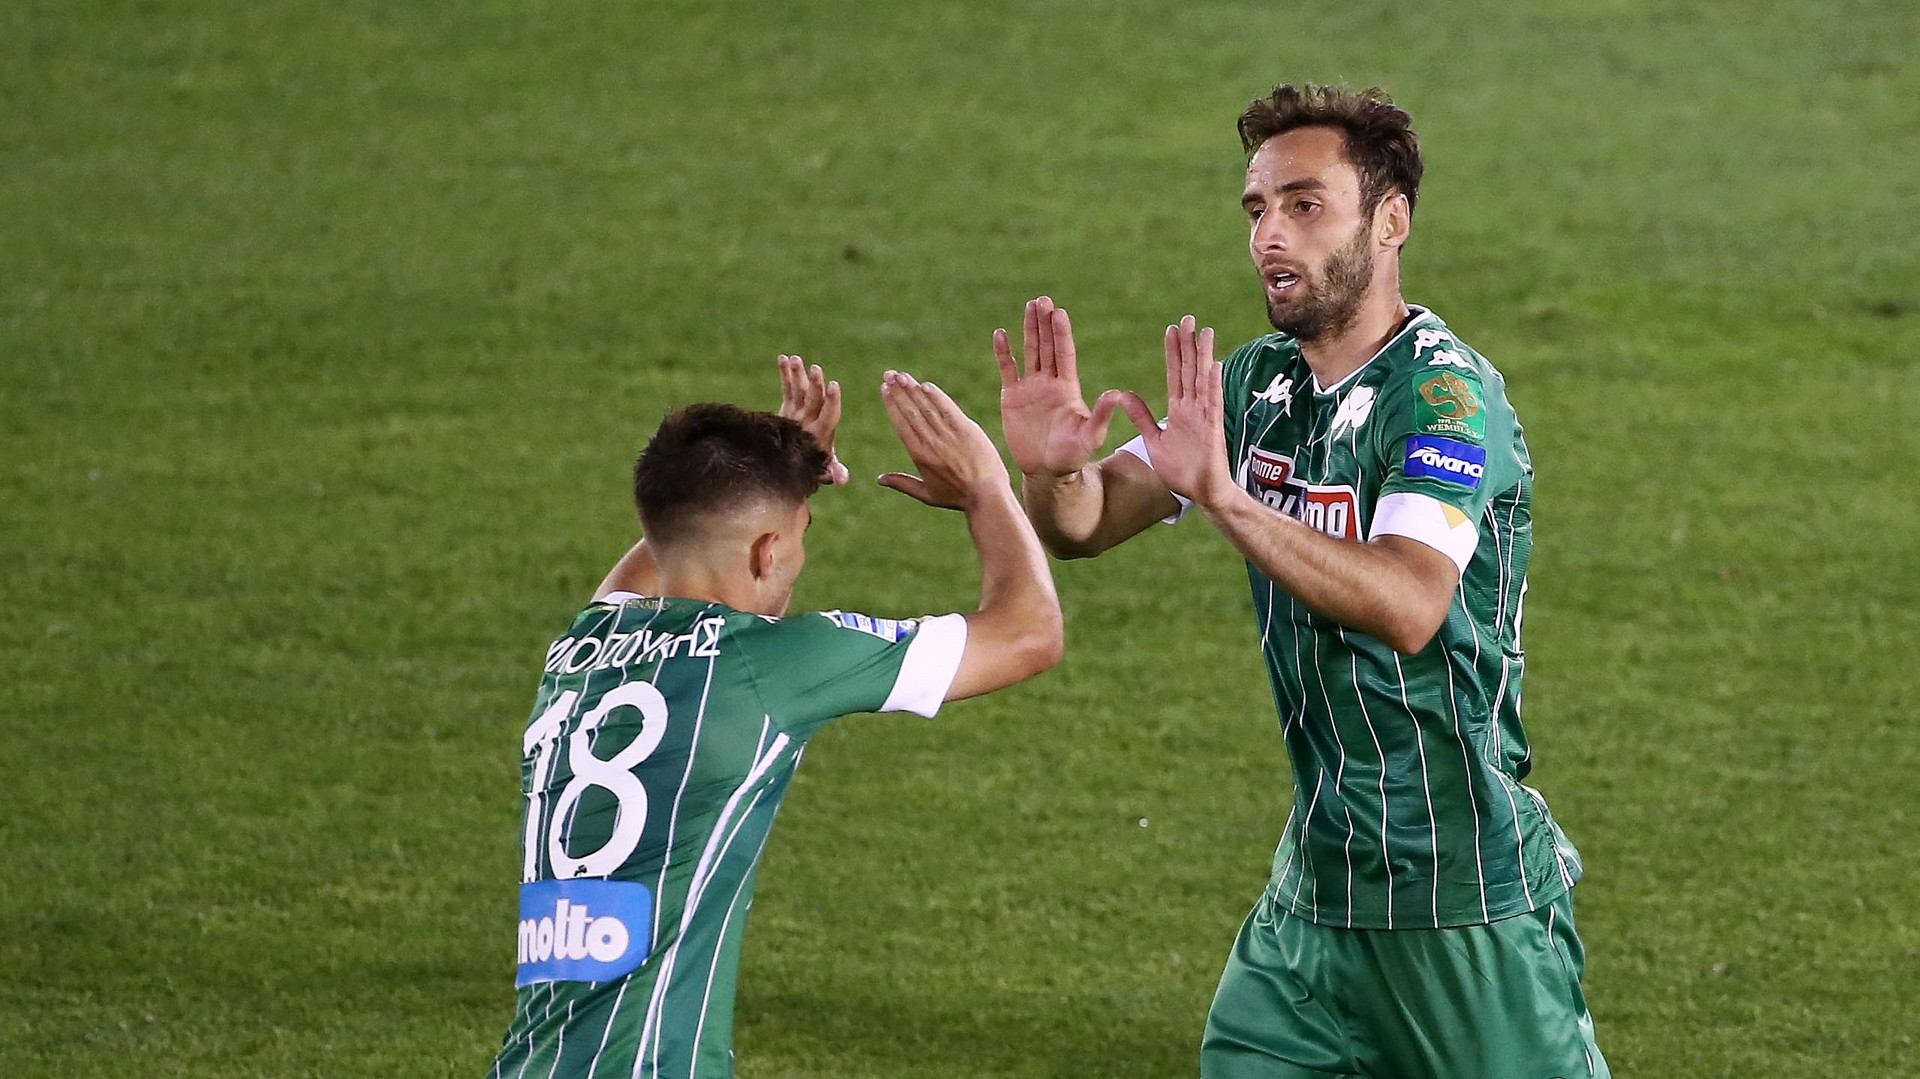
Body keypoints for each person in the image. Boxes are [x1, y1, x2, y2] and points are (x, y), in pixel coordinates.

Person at [994, 85, 1607, 1078]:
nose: (1269, 236)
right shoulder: (1255, 385)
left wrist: (1227, 499)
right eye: (1257, 209)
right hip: (1315, 897)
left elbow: (1409, 602)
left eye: (1305, 205)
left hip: (1455, 895)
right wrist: (1050, 471)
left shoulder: (1444, 396)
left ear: (1391, 220)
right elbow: (1086, 523)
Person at [486, 356, 1063, 1079]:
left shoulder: (581, 646)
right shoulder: (768, 664)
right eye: (800, 534)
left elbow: (672, 548)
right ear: (766, 551)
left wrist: (773, 479)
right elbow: (1030, 634)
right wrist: (986, 487)